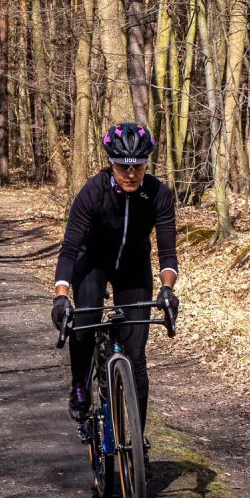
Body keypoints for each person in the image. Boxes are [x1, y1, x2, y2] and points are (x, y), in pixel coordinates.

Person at [51, 122, 180, 460]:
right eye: (123, 165)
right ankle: (80, 386)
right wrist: (62, 296)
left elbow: (167, 253)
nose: (131, 172)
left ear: (146, 164)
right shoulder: (93, 192)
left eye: (138, 165)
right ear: (111, 162)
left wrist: (167, 291)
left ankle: (137, 441)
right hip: (91, 261)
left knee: (136, 355)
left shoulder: (158, 195)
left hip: (134, 268)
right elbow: (68, 250)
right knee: (86, 321)